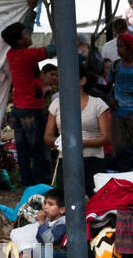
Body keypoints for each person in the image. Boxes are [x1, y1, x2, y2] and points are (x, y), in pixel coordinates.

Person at [1, 13, 52, 191]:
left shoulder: (12, 54)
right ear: (19, 40)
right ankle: (42, 186)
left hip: (19, 110)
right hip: (32, 110)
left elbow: (25, 31)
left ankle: (27, 185)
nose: (29, 35)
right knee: (39, 150)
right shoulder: (28, 55)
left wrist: (30, 13)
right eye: (26, 34)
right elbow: (52, 49)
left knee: (23, 152)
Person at [44, 65, 110, 193]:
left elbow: (106, 137)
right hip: (66, 158)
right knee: (66, 201)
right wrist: (60, 141)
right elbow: (47, 137)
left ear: (82, 81)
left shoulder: (97, 104)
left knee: (97, 201)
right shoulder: (56, 104)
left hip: (93, 159)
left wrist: (81, 143)